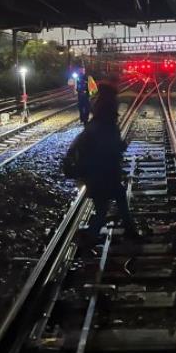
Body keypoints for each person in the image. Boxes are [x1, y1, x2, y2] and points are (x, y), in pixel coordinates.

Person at [64, 82, 138, 242]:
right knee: (115, 199)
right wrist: (123, 145)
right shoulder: (107, 126)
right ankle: (96, 236)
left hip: (93, 173)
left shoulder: (94, 124)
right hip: (106, 172)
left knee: (104, 206)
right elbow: (114, 148)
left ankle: (95, 235)